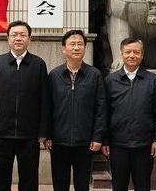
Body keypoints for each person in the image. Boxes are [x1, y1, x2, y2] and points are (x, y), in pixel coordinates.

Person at [0, 20, 50, 191]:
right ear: (8, 38)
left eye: (22, 35)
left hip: (29, 135)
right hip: (1, 134)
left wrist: (43, 131)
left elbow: (44, 100)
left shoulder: (38, 64)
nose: (18, 38)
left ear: (29, 39)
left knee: (29, 180)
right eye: (14, 35)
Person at [47, 30, 107, 191]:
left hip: (85, 142)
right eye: (72, 44)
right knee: (60, 184)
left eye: (80, 44)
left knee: (82, 185)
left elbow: (101, 109)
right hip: (59, 142)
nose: (76, 48)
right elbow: (47, 108)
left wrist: (97, 137)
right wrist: (48, 135)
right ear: (63, 48)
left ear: (85, 48)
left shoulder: (94, 75)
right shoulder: (54, 75)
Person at [102, 38, 156, 191]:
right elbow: (104, 113)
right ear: (121, 54)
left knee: (143, 185)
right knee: (119, 186)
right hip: (118, 145)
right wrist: (105, 140)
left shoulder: (152, 80)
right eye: (128, 52)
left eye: (136, 52)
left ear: (142, 55)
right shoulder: (111, 80)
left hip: (144, 145)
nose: (132, 55)